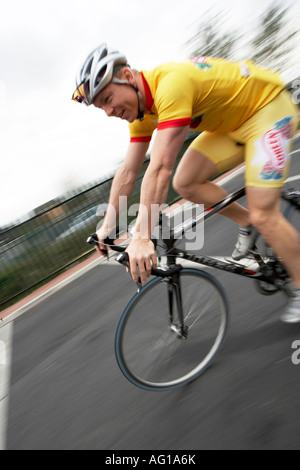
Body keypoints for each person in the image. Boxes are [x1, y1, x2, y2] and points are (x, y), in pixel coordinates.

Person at [72, 43, 300, 323]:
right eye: (100, 107)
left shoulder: (170, 86)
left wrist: (142, 236)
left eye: (107, 99)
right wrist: (107, 227)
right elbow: (128, 172)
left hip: (268, 108)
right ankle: (248, 222)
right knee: (186, 181)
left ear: (129, 78)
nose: (107, 111)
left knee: (265, 211)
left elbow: (159, 169)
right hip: (233, 124)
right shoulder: (141, 113)